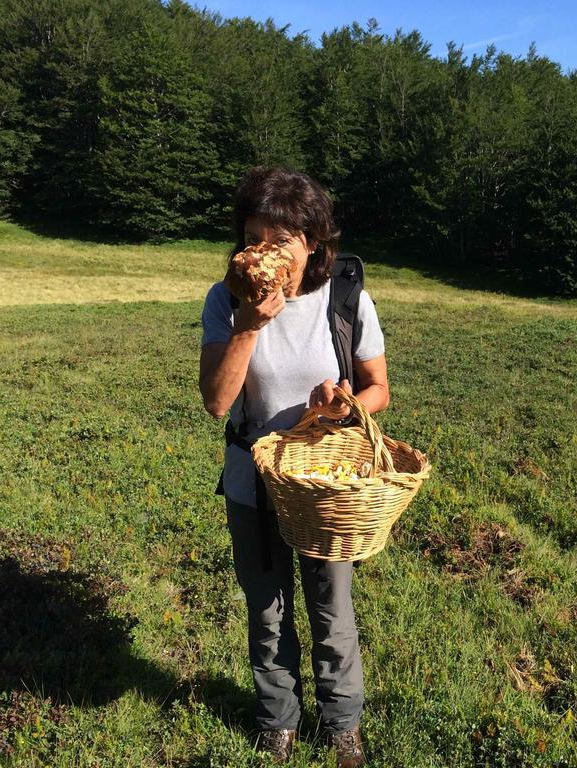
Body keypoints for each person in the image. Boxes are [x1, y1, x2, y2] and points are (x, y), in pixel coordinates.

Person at [199, 167, 388, 767]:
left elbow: (379, 387)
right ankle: (278, 719)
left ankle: (343, 725)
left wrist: (346, 404)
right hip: (253, 480)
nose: (265, 254)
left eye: (281, 241)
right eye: (254, 238)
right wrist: (251, 325)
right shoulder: (226, 300)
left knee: (332, 608)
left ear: (313, 243)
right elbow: (215, 401)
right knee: (266, 607)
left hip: (323, 485)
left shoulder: (345, 298)